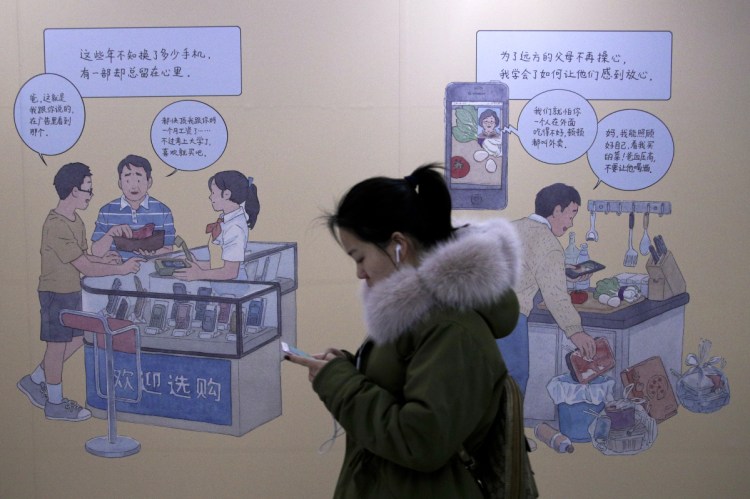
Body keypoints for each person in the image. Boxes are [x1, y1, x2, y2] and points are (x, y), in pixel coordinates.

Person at [285, 164, 521, 498]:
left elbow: (421, 441)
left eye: (360, 256)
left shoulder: (451, 328)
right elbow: (403, 390)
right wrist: (346, 368)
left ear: (398, 245)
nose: (360, 273)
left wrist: (339, 383)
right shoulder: (423, 318)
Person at [17, 162, 143, 421]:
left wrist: (106, 257)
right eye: (88, 190)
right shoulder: (56, 224)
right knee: (57, 346)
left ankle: (34, 380)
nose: (90, 195)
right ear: (74, 190)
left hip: (72, 290)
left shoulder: (75, 221)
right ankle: (55, 402)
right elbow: (84, 265)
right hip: (55, 293)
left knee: (77, 339)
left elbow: (85, 257)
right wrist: (119, 270)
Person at [501, 183, 597, 396]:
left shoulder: (513, 227)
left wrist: (560, 269)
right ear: (556, 211)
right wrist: (575, 331)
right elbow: (556, 297)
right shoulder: (549, 244)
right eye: (571, 215)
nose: (571, 224)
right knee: (514, 379)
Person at [174, 170, 259, 281]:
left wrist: (199, 274)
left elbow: (231, 272)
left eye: (213, 193)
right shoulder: (225, 221)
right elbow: (219, 264)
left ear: (227, 194)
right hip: (221, 287)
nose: (210, 197)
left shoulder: (234, 227)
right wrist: (195, 263)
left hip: (233, 289)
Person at [90, 154, 176, 259]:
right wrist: (110, 234)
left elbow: (169, 249)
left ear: (149, 182)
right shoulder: (106, 211)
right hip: (115, 270)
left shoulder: (163, 211)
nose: (134, 186)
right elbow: (96, 252)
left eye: (139, 180)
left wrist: (152, 254)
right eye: (128, 180)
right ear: (120, 183)